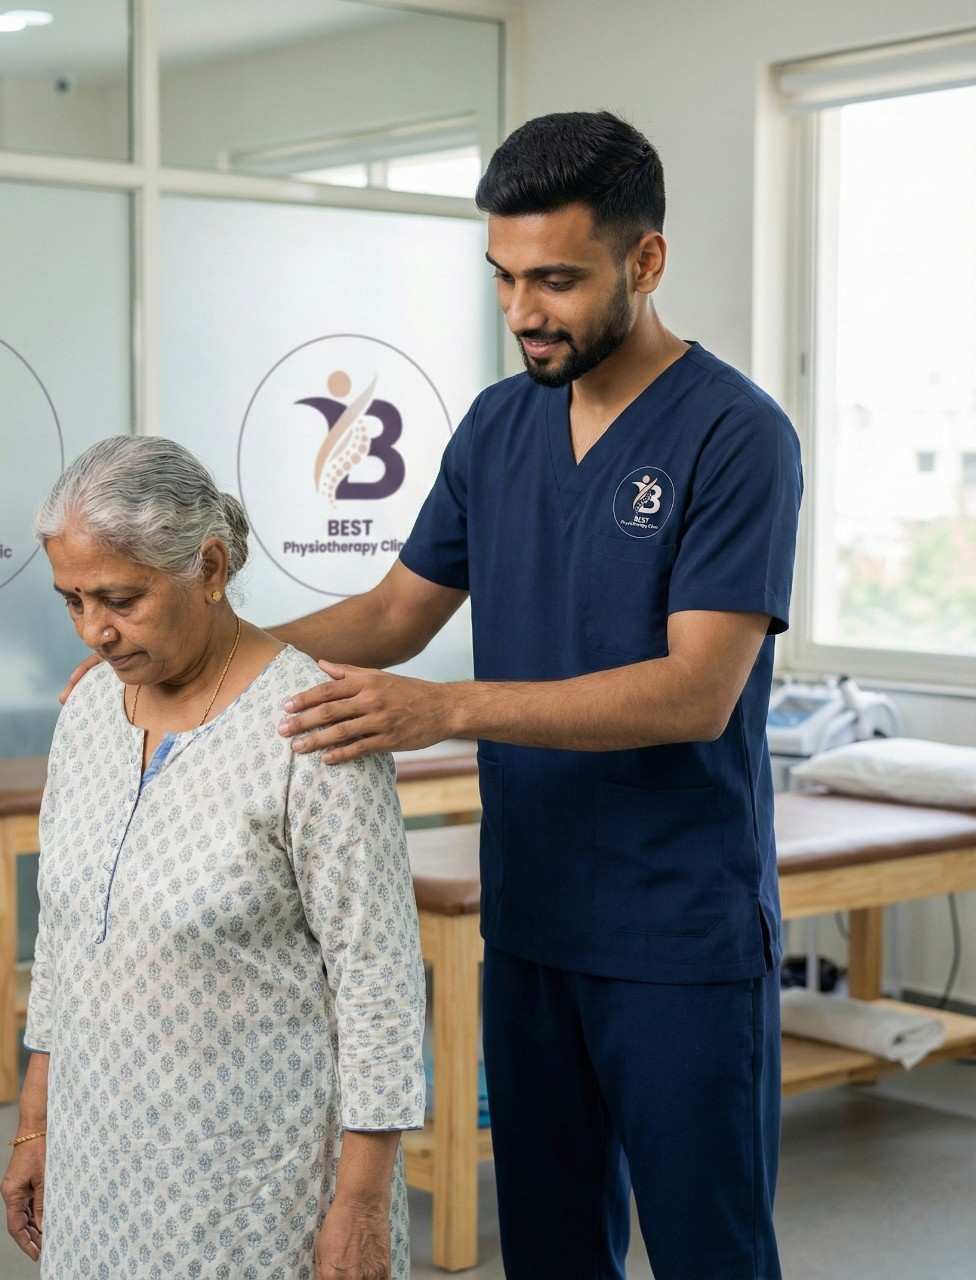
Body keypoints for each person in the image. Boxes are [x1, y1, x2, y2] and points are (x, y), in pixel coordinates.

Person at [273, 112, 803, 1278]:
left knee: (709, 1251)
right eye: (504, 277)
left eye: (555, 279)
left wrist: (443, 711)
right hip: (531, 918)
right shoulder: (498, 423)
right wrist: (206, 650)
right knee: (552, 1251)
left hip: (676, 931)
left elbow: (692, 692)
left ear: (644, 261)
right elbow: (391, 614)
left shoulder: (735, 434)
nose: (521, 310)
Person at [1, 436, 425, 1280]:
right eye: (72, 601)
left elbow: (380, 986)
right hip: (97, 1168)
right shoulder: (88, 709)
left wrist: (363, 1205)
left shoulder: (313, 725)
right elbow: (62, 940)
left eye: (121, 597)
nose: (95, 630)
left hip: (249, 1190)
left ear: (211, 566)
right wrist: (35, 1125)